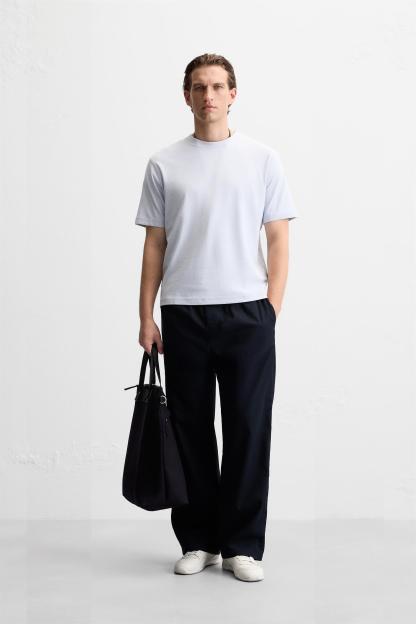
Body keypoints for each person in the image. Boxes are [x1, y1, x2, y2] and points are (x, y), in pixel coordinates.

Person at [135, 53, 298, 582]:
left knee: (249, 428)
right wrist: (146, 316)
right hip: (183, 312)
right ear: (186, 96)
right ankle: (200, 540)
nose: (208, 96)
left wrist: (270, 308)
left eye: (217, 86)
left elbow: (278, 237)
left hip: (248, 313)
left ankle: (242, 546)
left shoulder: (262, 159)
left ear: (233, 94)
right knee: (190, 430)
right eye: (199, 87)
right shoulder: (164, 163)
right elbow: (154, 245)